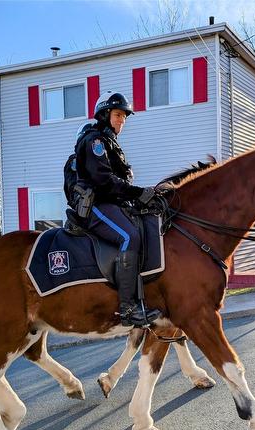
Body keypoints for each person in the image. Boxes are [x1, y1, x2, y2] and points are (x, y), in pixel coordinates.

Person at [72, 91, 162, 327]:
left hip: (113, 203)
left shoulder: (111, 143)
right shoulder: (95, 142)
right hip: (96, 206)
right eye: (118, 114)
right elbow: (103, 180)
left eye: (124, 116)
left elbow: (121, 182)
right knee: (128, 236)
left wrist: (142, 197)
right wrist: (137, 192)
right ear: (104, 115)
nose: (122, 120)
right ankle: (128, 308)